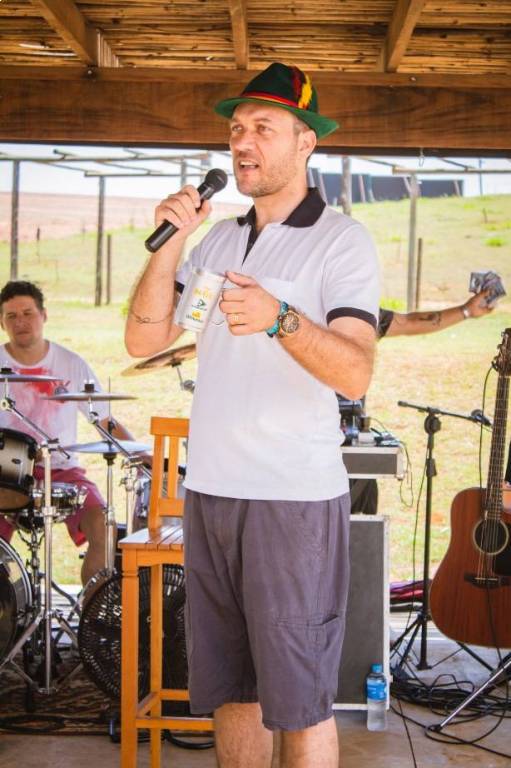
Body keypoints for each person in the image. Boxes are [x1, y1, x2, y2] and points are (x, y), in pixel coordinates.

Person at [126, 62, 379, 768]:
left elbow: (355, 370)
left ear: (306, 142)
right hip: (211, 493)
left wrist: (279, 319)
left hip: (291, 501)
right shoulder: (218, 241)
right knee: (231, 691)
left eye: (263, 128)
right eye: (237, 128)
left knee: (299, 699)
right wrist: (174, 241)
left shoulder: (341, 240)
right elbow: (145, 339)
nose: (242, 142)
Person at [0, 280, 136, 585]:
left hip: (62, 469)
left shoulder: (70, 363)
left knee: (103, 524)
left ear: (44, 315)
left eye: (28, 313)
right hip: (5, 472)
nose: (20, 322)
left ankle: (92, 609)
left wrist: (142, 455)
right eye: (11, 316)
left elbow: (103, 419)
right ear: (1, 322)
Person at [348, 289, 495, 515]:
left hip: (352, 444)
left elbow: (409, 322)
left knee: (360, 522)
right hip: (303, 450)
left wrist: (466, 310)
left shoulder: (357, 314)